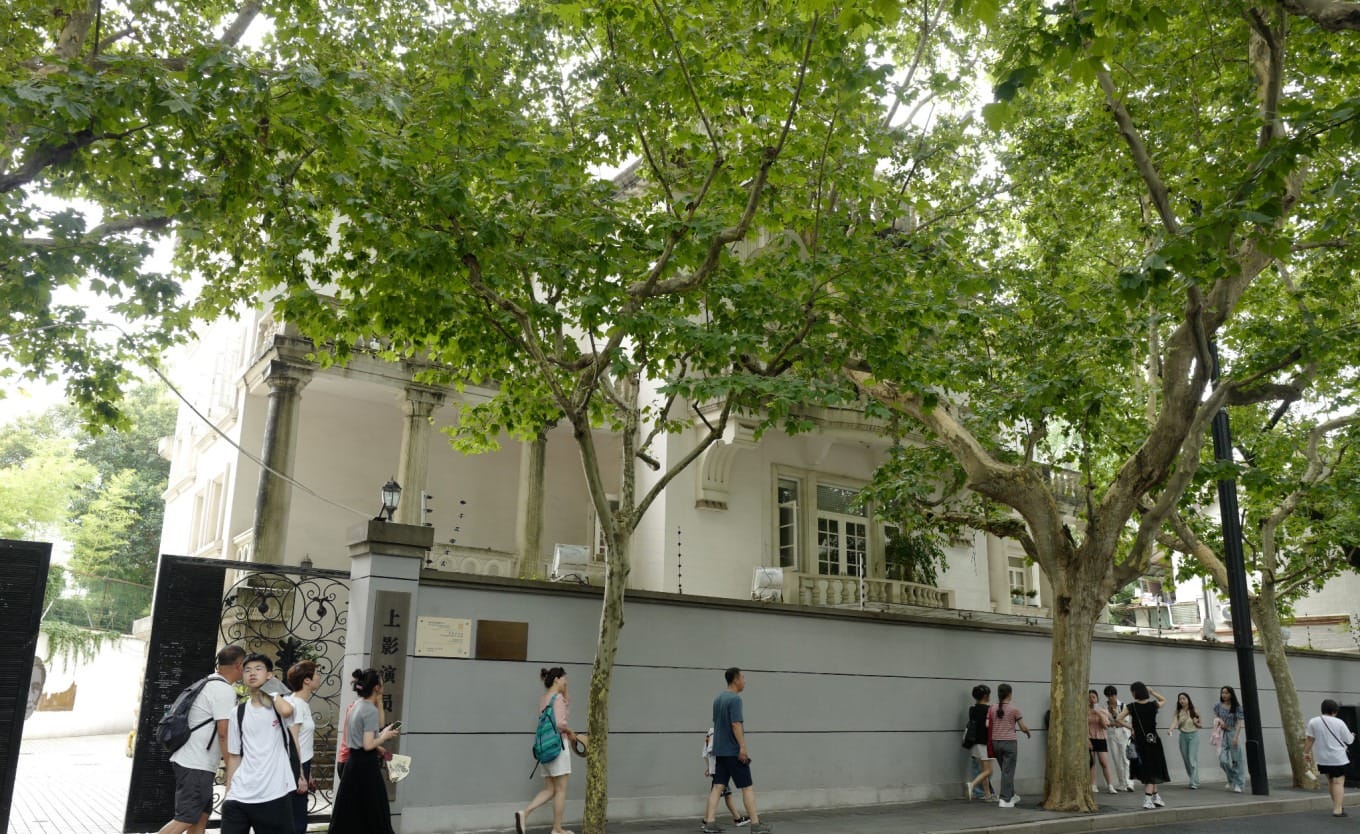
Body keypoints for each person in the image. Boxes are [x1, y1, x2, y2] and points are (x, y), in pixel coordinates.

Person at [158, 645, 246, 834]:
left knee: (200, 819)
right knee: (185, 818)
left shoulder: (208, 682)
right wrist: (231, 765)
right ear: (239, 665)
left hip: (195, 763)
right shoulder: (223, 690)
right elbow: (224, 732)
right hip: (196, 764)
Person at [223, 653, 304, 834]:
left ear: (269, 674)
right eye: (247, 670)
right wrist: (229, 791)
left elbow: (287, 711)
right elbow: (235, 755)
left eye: (258, 669)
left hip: (273, 793)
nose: (252, 673)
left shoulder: (280, 704)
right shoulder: (238, 712)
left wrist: (272, 690)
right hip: (240, 794)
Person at [329, 669, 400, 834]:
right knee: (374, 812)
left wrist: (381, 733)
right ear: (376, 687)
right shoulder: (369, 709)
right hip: (365, 765)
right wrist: (385, 736)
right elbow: (368, 745)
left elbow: (363, 740)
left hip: (354, 764)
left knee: (352, 813)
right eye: (381, 683)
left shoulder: (356, 706)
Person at [701, 668, 771, 834]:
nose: (745, 681)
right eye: (743, 678)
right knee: (747, 787)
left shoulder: (718, 699)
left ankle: (709, 823)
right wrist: (743, 748)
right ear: (735, 680)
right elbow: (735, 724)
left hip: (719, 751)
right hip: (733, 751)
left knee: (717, 787)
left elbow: (717, 724)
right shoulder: (735, 700)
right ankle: (755, 825)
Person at [517, 667, 576, 834]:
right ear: (556, 679)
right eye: (564, 679)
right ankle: (557, 829)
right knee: (561, 790)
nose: (566, 683)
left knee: (550, 789)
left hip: (545, 748)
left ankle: (524, 813)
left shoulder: (544, 698)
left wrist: (564, 691)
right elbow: (559, 724)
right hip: (558, 747)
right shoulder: (558, 699)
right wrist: (570, 732)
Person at [1118, 681, 1169, 810]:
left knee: (1150, 770)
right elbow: (1164, 700)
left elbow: (1118, 719)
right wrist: (1152, 692)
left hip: (1140, 742)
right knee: (1153, 769)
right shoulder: (1153, 705)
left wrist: (1131, 727)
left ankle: (1155, 797)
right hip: (1154, 741)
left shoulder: (1132, 707)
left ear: (1135, 692)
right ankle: (1147, 799)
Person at [1303, 698, 1355, 818]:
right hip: (1338, 758)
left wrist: (1305, 754)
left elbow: (1310, 739)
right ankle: (1338, 809)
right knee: (1338, 782)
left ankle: (1337, 805)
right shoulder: (1339, 722)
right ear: (1334, 711)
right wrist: (1352, 735)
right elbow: (1349, 740)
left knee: (1331, 781)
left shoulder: (1313, 722)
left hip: (1323, 759)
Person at [286, 661, 321, 834]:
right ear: (306, 680)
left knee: (297, 816)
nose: (319, 677)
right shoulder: (296, 704)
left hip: (301, 765)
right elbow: (293, 741)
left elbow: (304, 741)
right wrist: (300, 774)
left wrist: (309, 774)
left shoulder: (300, 703)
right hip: (294, 767)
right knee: (297, 819)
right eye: (316, 673)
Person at [989, 683, 1032, 808]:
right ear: (1009, 694)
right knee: (1008, 771)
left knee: (1005, 771)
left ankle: (1012, 795)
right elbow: (1022, 726)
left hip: (995, 742)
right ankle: (1005, 800)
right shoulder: (1014, 709)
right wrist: (1028, 732)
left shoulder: (992, 708)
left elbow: (988, 725)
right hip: (1009, 743)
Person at [704, 727, 750, 826]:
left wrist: (709, 767)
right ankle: (707, 820)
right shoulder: (717, 732)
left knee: (724, 794)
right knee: (716, 793)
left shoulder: (711, 732)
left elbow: (705, 752)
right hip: (720, 767)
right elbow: (710, 749)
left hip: (717, 768)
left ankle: (737, 818)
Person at [964, 684, 995, 801]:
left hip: (975, 743)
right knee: (988, 770)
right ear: (986, 696)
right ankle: (972, 785)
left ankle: (987, 794)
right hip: (985, 743)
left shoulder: (973, 710)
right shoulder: (989, 710)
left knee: (984, 770)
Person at [1212, 685, 1246, 792]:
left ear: (1231, 694)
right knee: (1223, 760)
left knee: (1237, 760)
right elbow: (1216, 717)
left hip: (1232, 733)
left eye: (1226, 693)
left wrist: (1235, 737)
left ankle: (1239, 784)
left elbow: (1239, 724)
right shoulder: (1218, 705)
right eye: (1223, 692)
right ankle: (1232, 779)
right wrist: (1219, 722)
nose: (1224, 695)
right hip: (1222, 734)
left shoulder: (1237, 707)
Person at [1103, 685, 1135, 791]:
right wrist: (1113, 722)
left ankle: (1129, 783)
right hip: (1112, 735)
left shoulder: (1123, 706)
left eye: (1112, 696)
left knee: (1126, 759)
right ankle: (1122, 783)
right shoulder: (1105, 707)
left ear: (1115, 695)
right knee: (1117, 760)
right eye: (1108, 696)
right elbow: (1106, 723)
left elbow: (1125, 722)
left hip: (1123, 734)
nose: (1110, 698)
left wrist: (1116, 715)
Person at [1167, 692, 1201, 789]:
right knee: (1186, 760)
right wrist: (1170, 729)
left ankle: (1194, 782)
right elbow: (1175, 722)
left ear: (1188, 699)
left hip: (1193, 735)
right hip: (1183, 736)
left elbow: (1200, 725)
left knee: (1192, 759)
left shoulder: (1194, 710)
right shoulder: (1178, 712)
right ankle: (1193, 779)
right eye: (1180, 699)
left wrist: (1196, 722)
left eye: (1184, 698)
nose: (1182, 700)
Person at [1088, 690, 1117, 793]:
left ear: (1097, 699)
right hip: (1089, 738)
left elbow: (1105, 726)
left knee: (1104, 762)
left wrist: (1098, 714)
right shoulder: (1084, 711)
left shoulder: (1103, 710)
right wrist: (1087, 740)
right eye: (1089, 697)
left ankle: (1110, 785)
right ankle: (1093, 785)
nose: (1091, 699)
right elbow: (1083, 727)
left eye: (1093, 697)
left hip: (1101, 738)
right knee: (1092, 763)